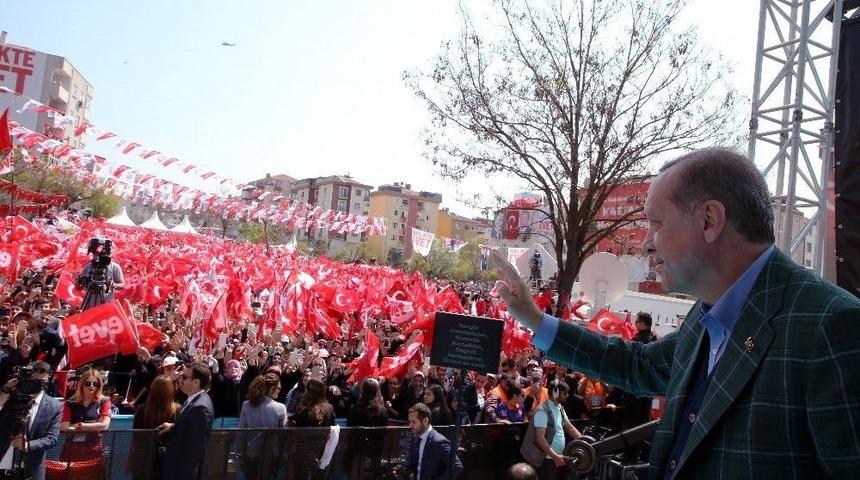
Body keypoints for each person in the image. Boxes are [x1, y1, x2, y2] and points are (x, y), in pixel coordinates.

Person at [494, 147, 860, 478]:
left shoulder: (832, 327)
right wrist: (535, 319)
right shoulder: (705, 317)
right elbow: (637, 364)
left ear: (709, 220)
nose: (646, 244)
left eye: (656, 223)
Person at [0, 360, 61, 480]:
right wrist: (5, 391)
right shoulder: (9, 397)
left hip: (31, 470)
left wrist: (27, 445)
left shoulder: (54, 406)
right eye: (32, 380)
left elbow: (51, 438)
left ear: (47, 379)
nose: (34, 385)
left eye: (39, 382)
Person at [157, 362, 214, 480]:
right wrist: (173, 426)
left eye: (184, 377)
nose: (180, 379)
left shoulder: (200, 407)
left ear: (196, 382)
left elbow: (195, 449)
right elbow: (190, 429)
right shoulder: (192, 400)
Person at [521, 380, 581, 480]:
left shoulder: (560, 408)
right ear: (555, 393)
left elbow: (569, 427)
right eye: (565, 393)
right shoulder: (542, 411)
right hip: (545, 460)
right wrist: (555, 456)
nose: (567, 395)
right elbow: (540, 438)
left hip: (556, 458)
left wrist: (584, 440)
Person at [59, 368, 112, 477]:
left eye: (95, 384)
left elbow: (104, 425)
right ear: (81, 384)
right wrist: (94, 425)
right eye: (88, 383)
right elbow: (64, 428)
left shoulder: (104, 401)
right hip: (73, 448)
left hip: (94, 447)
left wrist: (82, 426)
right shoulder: (70, 403)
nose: (92, 386)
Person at [237, 373, 287, 480]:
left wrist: (240, 454)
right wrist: (283, 456)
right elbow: (284, 435)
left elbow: (241, 433)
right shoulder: (280, 408)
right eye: (278, 388)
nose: (279, 391)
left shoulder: (246, 405)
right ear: (272, 388)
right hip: (272, 456)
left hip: (250, 454)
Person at [130, 376, 180, 480]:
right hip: (169, 459)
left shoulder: (141, 409)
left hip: (144, 458)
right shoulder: (177, 409)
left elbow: (136, 436)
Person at [288, 378, 336, 480]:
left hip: (303, 453)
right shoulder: (330, 408)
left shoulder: (303, 410)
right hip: (320, 453)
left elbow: (299, 434)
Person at [405, 403, 463, 480]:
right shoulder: (416, 438)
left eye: (413, 422)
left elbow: (457, 466)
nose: (410, 425)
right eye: (409, 422)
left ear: (425, 420)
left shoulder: (439, 442)